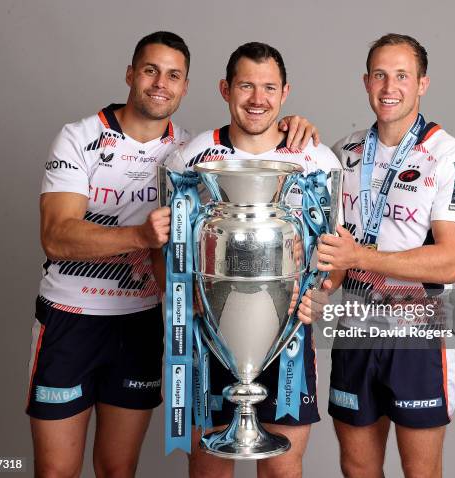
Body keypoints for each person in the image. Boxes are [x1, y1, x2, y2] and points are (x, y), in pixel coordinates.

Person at [26, 31, 319, 478]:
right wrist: (144, 239)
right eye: (150, 70)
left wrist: (291, 124)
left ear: (186, 87)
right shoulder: (84, 138)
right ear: (130, 73)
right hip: (73, 313)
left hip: (141, 319)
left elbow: (321, 248)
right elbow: (56, 236)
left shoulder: (185, 150)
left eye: (174, 75)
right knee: (57, 470)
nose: (161, 83)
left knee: (118, 468)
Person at [165, 41, 339, 478]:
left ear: (285, 92)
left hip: (288, 336)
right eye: (246, 86)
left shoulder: (314, 157)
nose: (257, 99)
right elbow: (163, 247)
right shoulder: (192, 156)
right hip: (210, 334)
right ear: (225, 89)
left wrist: (321, 294)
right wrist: (185, 298)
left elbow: (337, 250)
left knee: (282, 467)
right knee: (209, 466)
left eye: (268, 87)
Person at [317, 34, 455, 478]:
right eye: (380, 75)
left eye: (402, 76)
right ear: (365, 81)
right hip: (355, 331)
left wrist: (361, 257)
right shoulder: (342, 153)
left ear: (423, 83)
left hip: (418, 339)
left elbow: (449, 261)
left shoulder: (452, 157)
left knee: (420, 472)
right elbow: (332, 252)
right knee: (356, 468)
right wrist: (323, 287)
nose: (389, 87)